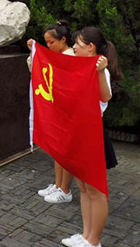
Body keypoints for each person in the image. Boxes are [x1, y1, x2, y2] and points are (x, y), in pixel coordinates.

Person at [61, 27, 123, 247]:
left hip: (92, 135)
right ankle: (85, 235)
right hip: (78, 133)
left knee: (95, 190)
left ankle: (94, 240)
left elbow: (105, 96)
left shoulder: (99, 68)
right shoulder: (78, 66)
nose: (74, 47)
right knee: (83, 188)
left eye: (78, 44)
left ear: (90, 47)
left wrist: (99, 72)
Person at [27, 20, 75, 204]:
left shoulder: (71, 57)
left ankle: (65, 189)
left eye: (51, 42)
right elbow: (38, 71)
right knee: (57, 150)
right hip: (56, 109)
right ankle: (58, 184)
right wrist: (34, 53)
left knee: (65, 152)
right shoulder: (54, 56)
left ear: (63, 40)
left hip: (67, 110)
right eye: (46, 43)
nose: (48, 46)